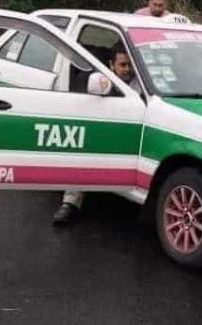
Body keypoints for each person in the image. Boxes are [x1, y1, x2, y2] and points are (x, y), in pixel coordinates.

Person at [52, 44, 141, 226]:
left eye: (130, 65)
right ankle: (70, 203)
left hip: (130, 136)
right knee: (83, 152)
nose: (127, 70)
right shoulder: (100, 81)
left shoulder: (139, 83)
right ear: (111, 64)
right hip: (102, 133)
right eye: (122, 65)